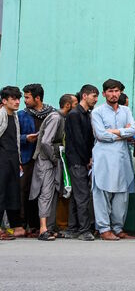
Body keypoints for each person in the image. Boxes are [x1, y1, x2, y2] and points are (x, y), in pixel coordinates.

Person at [91, 79, 135, 240]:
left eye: (116, 91)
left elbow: (132, 131)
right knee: (102, 193)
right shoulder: (97, 112)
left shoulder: (126, 110)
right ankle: (104, 229)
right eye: (110, 91)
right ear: (104, 94)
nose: (114, 94)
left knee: (122, 196)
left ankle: (118, 228)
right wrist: (122, 133)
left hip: (122, 159)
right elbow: (101, 135)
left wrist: (116, 132)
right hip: (104, 158)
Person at [29, 94, 76, 240]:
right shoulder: (56, 118)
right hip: (47, 161)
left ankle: (50, 227)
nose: (77, 106)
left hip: (53, 160)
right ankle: (43, 229)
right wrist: (54, 158)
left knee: (54, 192)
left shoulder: (59, 118)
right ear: (67, 105)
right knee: (46, 193)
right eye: (75, 103)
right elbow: (45, 141)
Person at [20, 83, 55, 235]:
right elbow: (14, 136)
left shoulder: (51, 114)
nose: (24, 101)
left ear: (37, 98)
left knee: (43, 192)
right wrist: (25, 138)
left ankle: (39, 225)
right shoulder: (22, 115)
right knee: (25, 190)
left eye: (27, 97)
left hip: (45, 158)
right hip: (28, 159)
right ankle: (23, 224)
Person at [65, 84, 98, 240]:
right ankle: (84, 230)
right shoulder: (75, 114)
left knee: (77, 196)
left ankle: (72, 228)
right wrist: (88, 159)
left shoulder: (86, 114)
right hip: (78, 161)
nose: (96, 99)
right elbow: (78, 141)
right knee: (83, 195)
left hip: (81, 160)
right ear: (84, 96)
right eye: (94, 96)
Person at [0, 86, 25, 240]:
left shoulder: (14, 116)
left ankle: (14, 227)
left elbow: (15, 141)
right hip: (2, 159)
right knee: (1, 193)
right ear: (4, 101)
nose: (17, 102)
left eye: (18, 99)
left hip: (13, 159)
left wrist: (19, 160)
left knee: (12, 193)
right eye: (13, 99)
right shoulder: (1, 114)